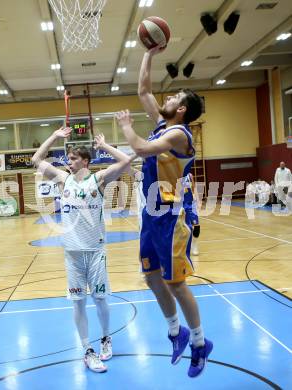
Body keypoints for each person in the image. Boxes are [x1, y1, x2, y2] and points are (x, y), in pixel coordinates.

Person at [117, 44, 213, 378]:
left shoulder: (177, 133)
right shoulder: (163, 123)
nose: (167, 98)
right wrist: (149, 52)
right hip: (150, 215)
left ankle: (200, 343)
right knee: (151, 276)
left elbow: (141, 147)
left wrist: (126, 127)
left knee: (175, 284)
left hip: (172, 218)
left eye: (173, 98)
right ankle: (177, 333)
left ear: (182, 109)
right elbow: (143, 88)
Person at [31, 128, 133, 373]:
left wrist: (104, 146)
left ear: (86, 161)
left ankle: (106, 338)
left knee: (100, 299)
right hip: (72, 254)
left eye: (74, 158)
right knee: (78, 303)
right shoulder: (62, 179)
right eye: (68, 158)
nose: (69, 161)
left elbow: (127, 161)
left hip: (95, 251)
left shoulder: (97, 180)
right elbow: (36, 159)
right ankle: (87, 350)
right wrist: (55, 136)